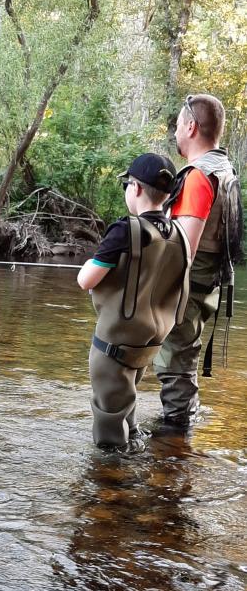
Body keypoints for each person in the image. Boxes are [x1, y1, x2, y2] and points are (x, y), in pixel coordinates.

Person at [77, 153, 191, 451]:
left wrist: (90, 261)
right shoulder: (179, 233)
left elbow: (86, 280)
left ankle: (113, 485)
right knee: (125, 403)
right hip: (148, 345)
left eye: (127, 184)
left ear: (136, 188)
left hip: (113, 345)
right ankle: (137, 459)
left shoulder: (125, 230)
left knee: (108, 421)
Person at [153, 93, 242, 428]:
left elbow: (184, 246)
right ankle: (180, 438)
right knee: (184, 359)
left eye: (178, 126)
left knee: (175, 362)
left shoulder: (198, 176)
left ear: (191, 126)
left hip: (191, 283)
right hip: (210, 282)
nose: (176, 133)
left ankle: (174, 441)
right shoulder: (224, 167)